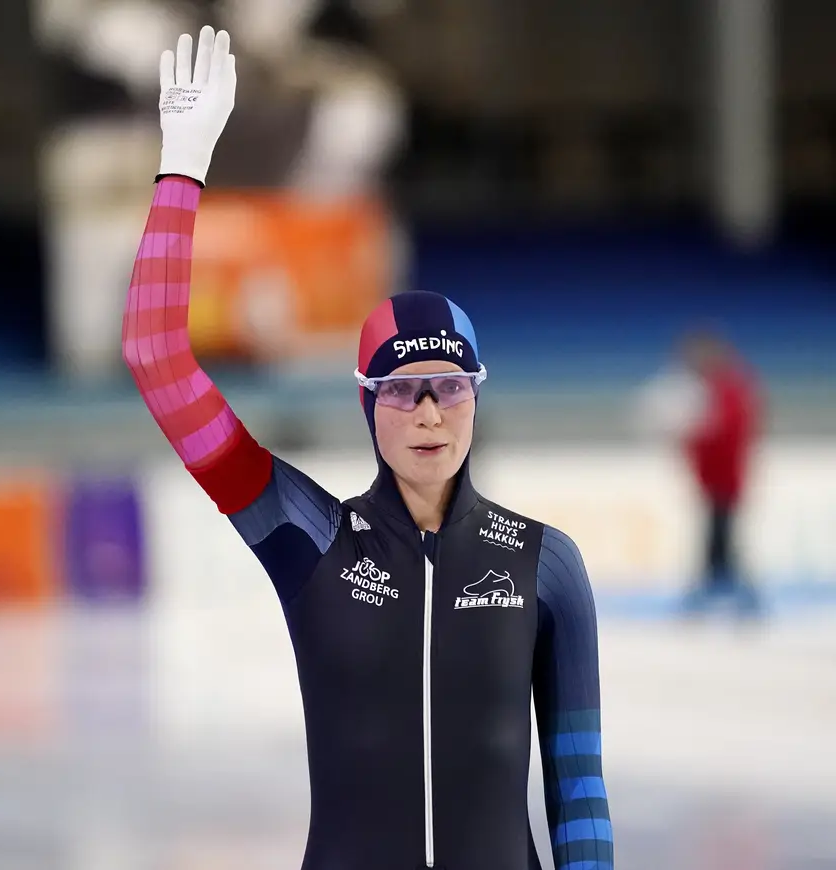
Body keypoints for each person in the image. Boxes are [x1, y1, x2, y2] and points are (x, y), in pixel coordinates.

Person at [122, 27, 613, 870]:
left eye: (448, 387)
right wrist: (183, 167)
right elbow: (156, 358)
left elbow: (580, 789)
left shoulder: (546, 564)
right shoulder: (309, 537)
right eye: (399, 389)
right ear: (366, 405)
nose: (427, 413)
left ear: (476, 396)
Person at [676, 328, 763, 618]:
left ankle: (735, 594)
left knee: (721, 536)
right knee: (718, 536)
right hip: (716, 480)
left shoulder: (728, 390)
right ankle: (728, 591)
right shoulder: (715, 390)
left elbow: (725, 434)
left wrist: (692, 439)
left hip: (724, 480)